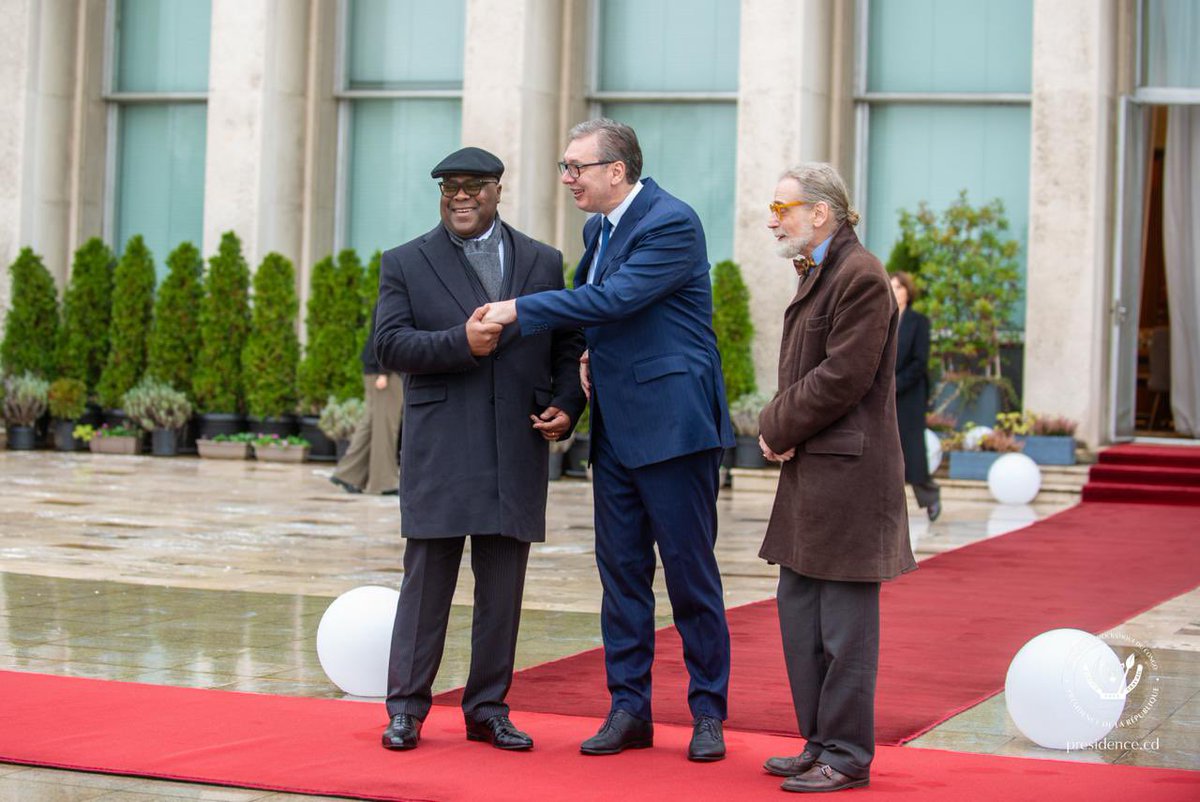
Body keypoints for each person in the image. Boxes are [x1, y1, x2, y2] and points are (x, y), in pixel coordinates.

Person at [481, 118, 735, 762]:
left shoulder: (671, 222)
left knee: (689, 576)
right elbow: (599, 323)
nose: (567, 179)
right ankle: (629, 710)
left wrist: (519, 309)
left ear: (616, 171)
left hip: (675, 428)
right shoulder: (599, 229)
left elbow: (614, 299)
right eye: (565, 167)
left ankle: (707, 714)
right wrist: (577, 384)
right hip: (616, 432)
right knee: (621, 576)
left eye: (576, 167)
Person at [372, 146, 586, 752]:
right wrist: (460, 341)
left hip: (516, 445)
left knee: (502, 589)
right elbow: (389, 345)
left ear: (498, 190)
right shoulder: (406, 262)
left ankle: (487, 708)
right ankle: (407, 710)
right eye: (448, 187)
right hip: (442, 448)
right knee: (427, 585)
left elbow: (568, 342)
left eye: (473, 186)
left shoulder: (542, 261)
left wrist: (570, 404)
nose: (459, 196)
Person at [756, 163, 916, 793]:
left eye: (782, 206)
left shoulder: (861, 275)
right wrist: (785, 431)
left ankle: (847, 755)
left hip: (849, 479)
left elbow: (842, 378)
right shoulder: (820, 269)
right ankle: (819, 742)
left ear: (821, 212)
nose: (773, 218)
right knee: (801, 618)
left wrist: (774, 427)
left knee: (845, 631)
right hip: (812, 475)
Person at [329, 307, 401, 495]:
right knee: (385, 428)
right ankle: (384, 483)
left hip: (379, 369)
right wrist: (383, 371)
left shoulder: (389, 289)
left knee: (371, 423)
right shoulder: (395, 290)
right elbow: (384, 332)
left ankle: (347, 475)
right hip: (385, 372)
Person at [890, 271, 941, 521]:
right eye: (891, 287)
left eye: (899, 287)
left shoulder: (918, 321)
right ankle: (888, 506)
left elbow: (920, 362)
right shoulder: (883, 318)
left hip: (910, 394)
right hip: (885, 394)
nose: (895, 291)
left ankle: (930, 496)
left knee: (912, 451)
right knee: (887, 451)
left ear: (907, 291)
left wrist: (897, 383)